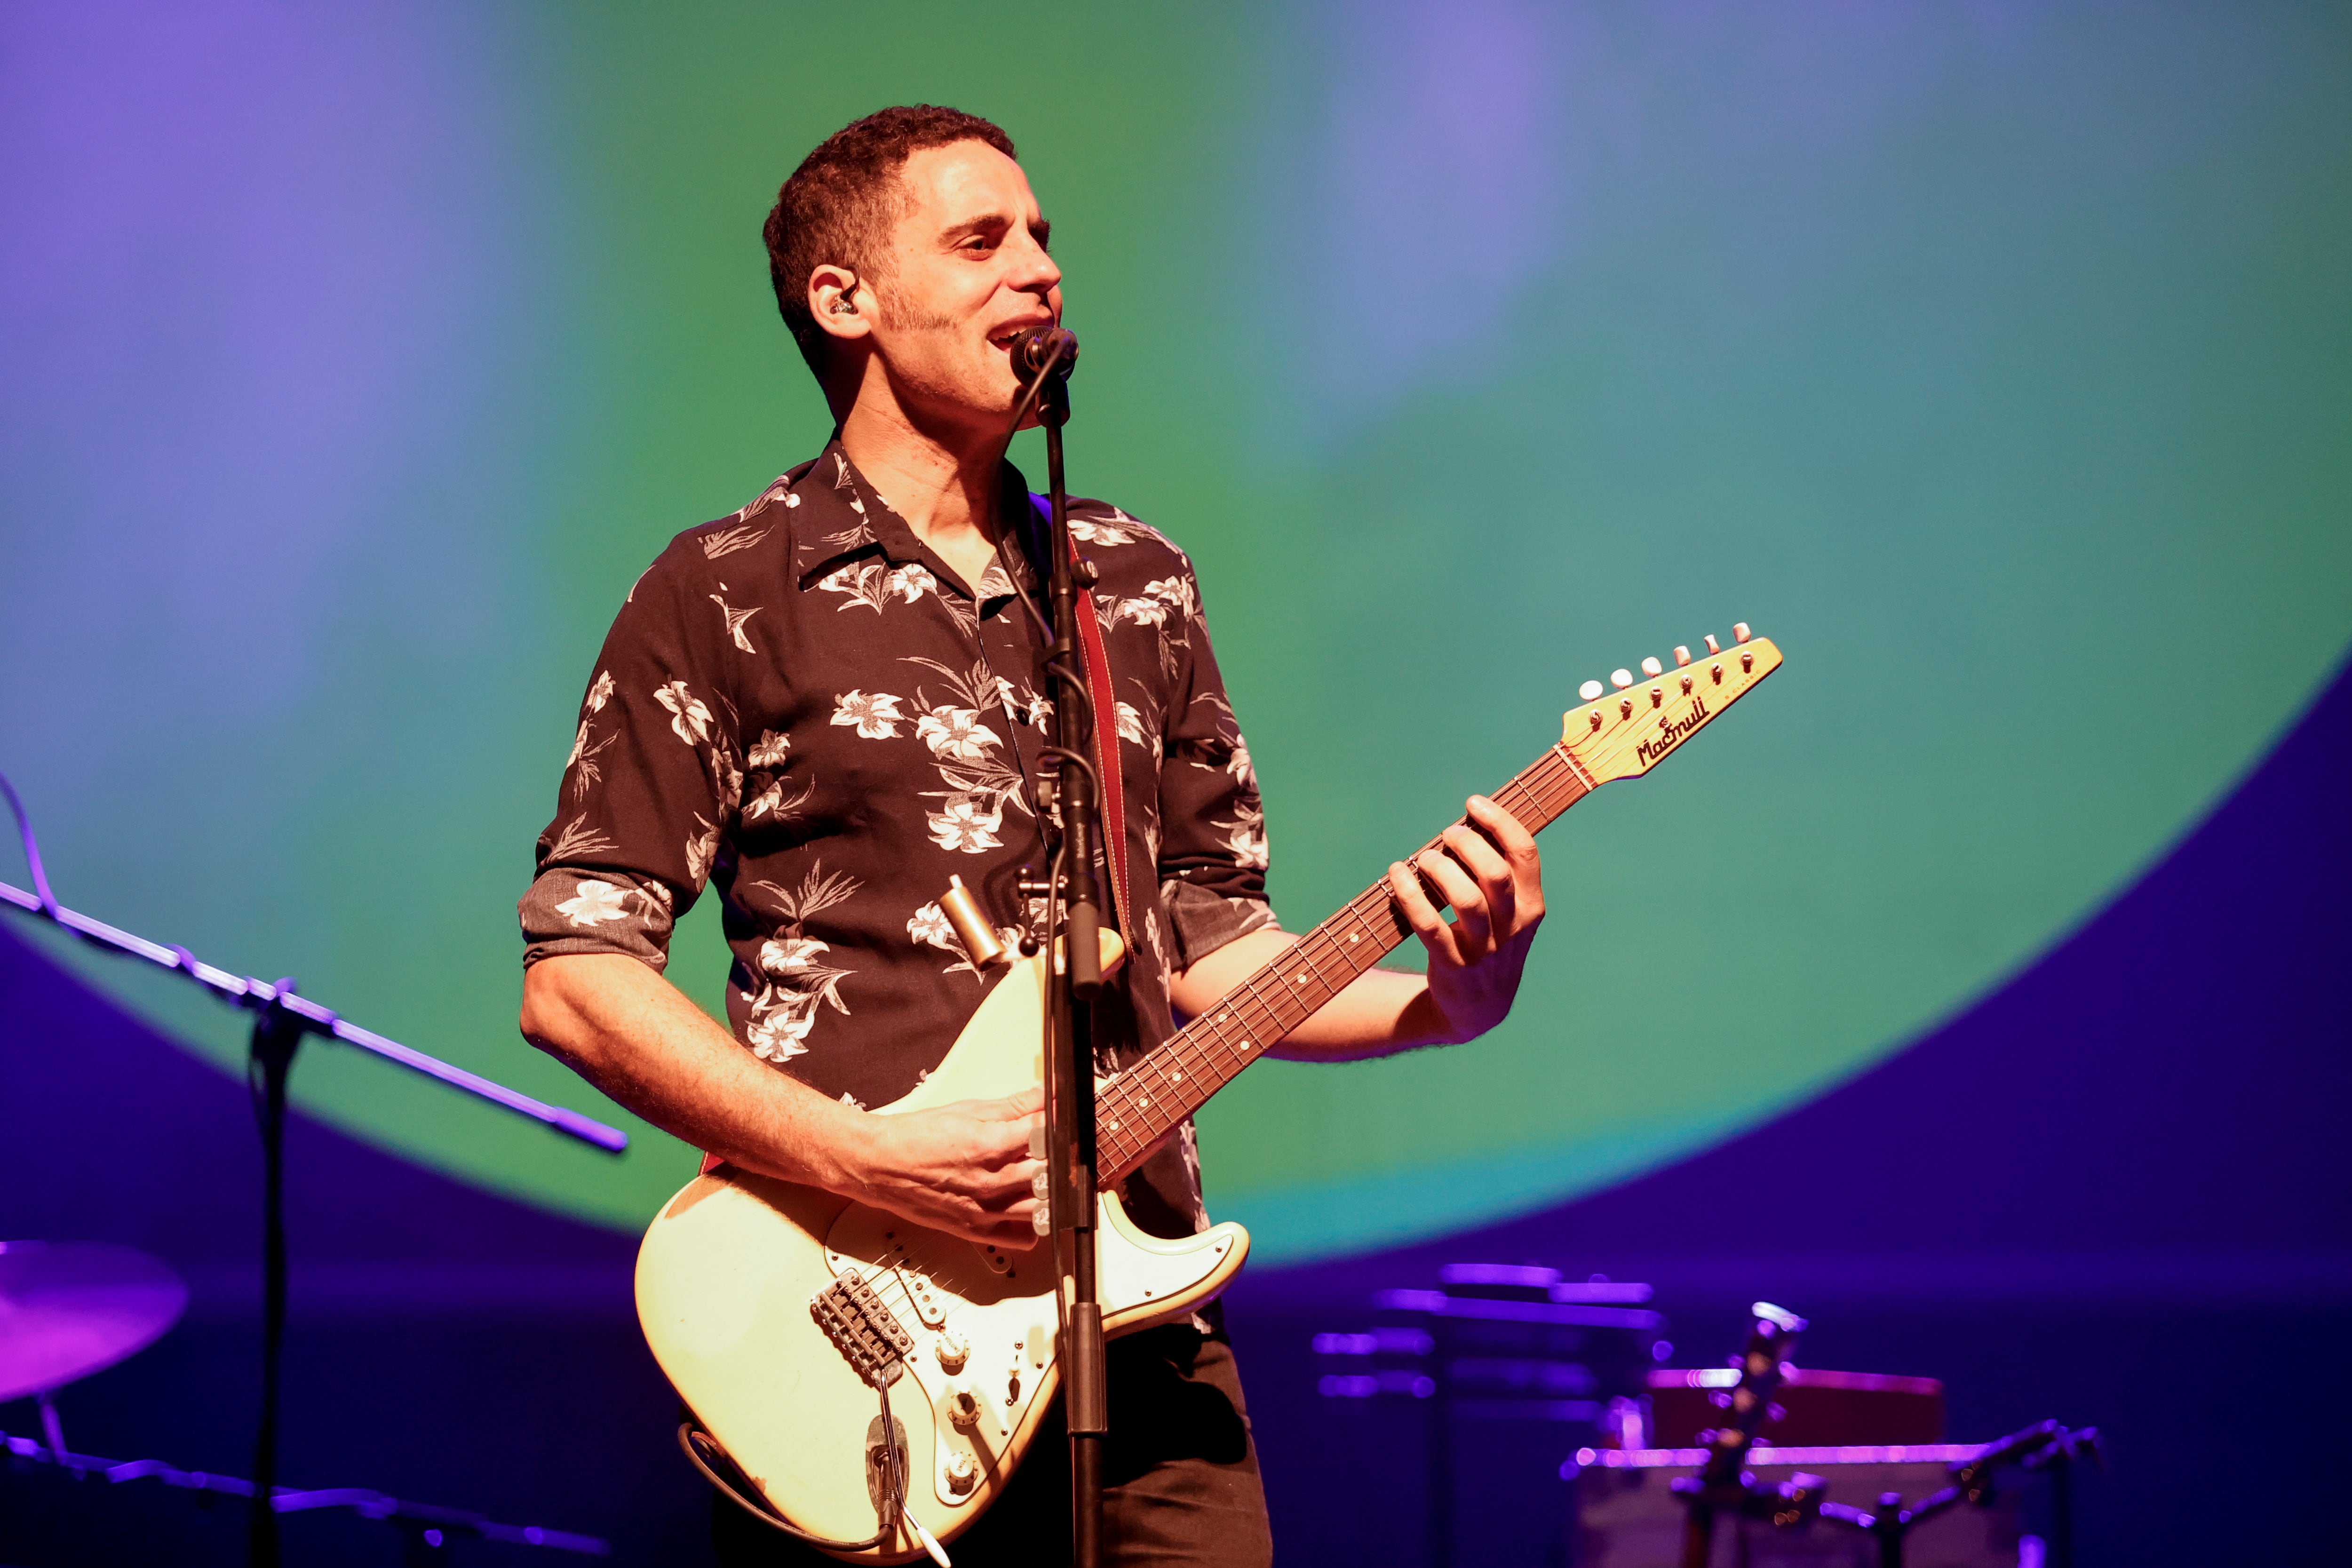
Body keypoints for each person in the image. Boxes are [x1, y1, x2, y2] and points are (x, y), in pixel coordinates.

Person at [516, 104, 1547, 1566]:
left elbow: (1211, 944)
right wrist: (858, 1161)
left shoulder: (1134, 582)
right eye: (982, 239)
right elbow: (574, 975)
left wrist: (1447, 1003)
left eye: (1046, 238)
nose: (1041, 272)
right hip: (862, 1347)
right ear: (845, 299)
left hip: (1146, 1339)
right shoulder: (728, 589)